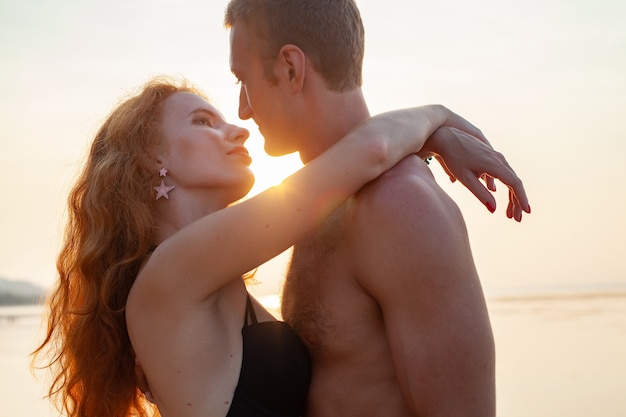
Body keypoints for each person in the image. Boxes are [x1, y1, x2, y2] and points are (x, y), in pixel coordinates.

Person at [32, 75, 527, 417]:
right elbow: (367, 152)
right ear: (149, 156)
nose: (238, 127)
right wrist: (438, 119)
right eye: (204, 122)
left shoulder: (215, 287)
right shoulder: (171, 275)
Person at [224, 1, 531, 416]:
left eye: (244, 80)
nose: (242, 108)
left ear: (291, 69)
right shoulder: (324, 202)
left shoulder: (399, 209)